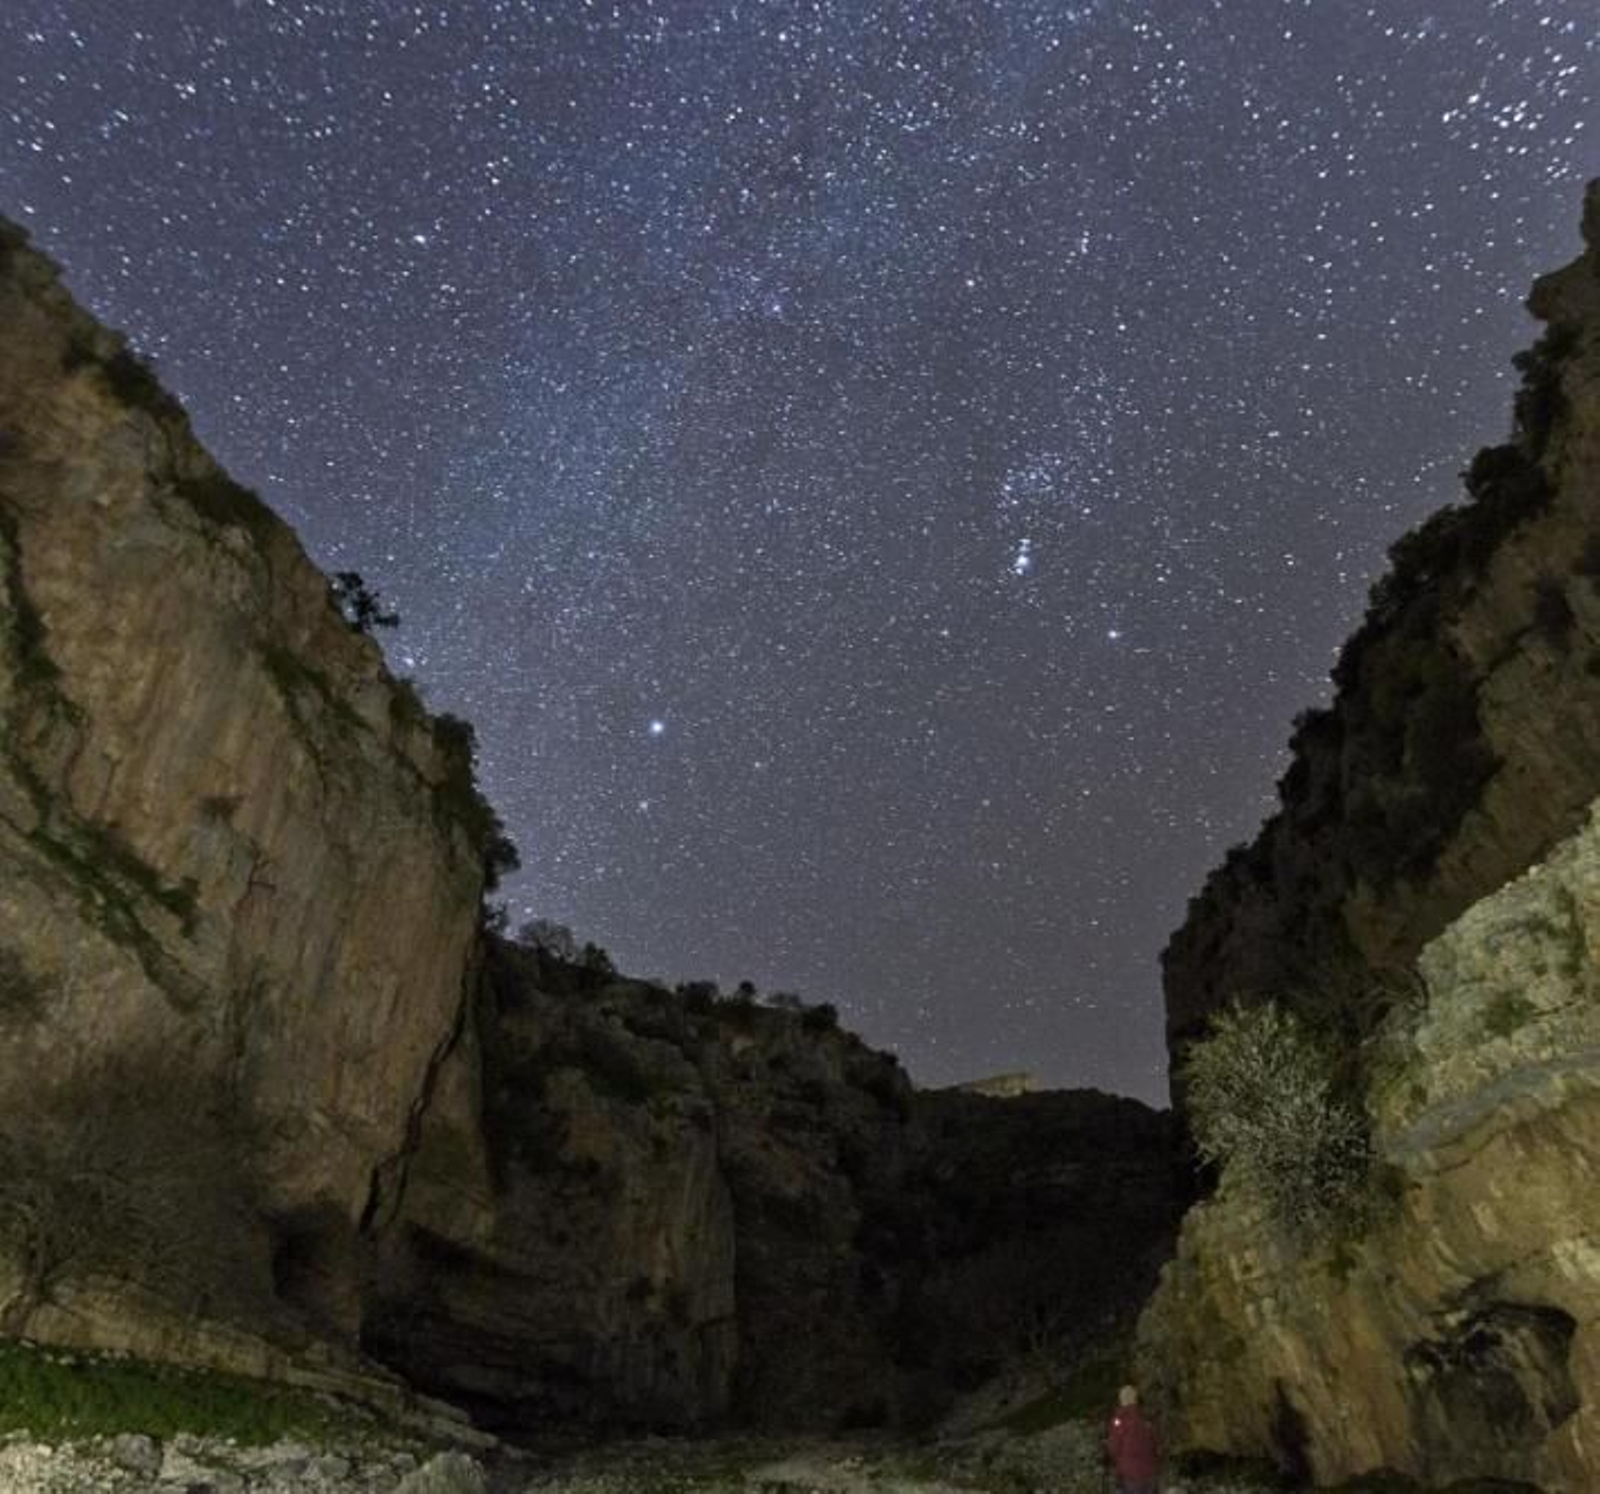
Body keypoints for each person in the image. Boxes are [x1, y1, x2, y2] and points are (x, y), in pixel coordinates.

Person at [1105, 1383, 1161, 1494]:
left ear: (1122, 1400)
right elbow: (1157, 1444)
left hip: (1129, 1475)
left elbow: (1113, 1448)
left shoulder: (1119, 1420)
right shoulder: (1147, 1417)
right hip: (1150, 1473)